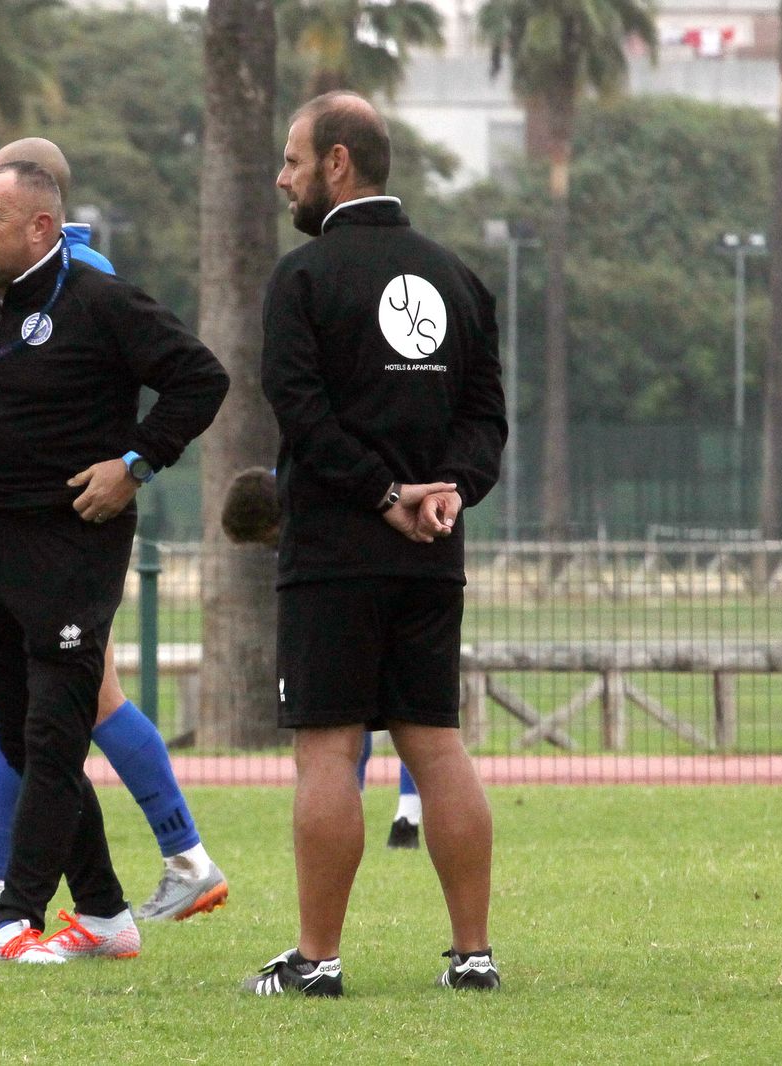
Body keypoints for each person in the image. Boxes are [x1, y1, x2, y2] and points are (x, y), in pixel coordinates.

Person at [0, 139, 229, 925]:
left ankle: (144, 869)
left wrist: (135, 462)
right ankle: (47, 891)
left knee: (72, 711)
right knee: (20, 713)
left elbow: (192, 377)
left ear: (41, 217)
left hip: (69, 536)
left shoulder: (90, 286)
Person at [242, 92, 506, 997]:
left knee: (327, 750)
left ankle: (316, 961)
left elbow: (301, 413)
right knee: (436, 744)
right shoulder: (460, 280)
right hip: (433, 555)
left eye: (292, 161)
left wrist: (384, 496)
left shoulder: (303, 279)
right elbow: (486, 419)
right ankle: (473, 956)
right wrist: (448, 492)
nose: (282, 179)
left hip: (333, 555)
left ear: (337, 164)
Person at [223, 464, 422, 850]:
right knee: (401, 717)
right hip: (403, 581)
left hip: (365, 591)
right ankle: (365, 811)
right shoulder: (280, 485)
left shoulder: (307, 493)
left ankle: (402, 818)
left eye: (267, 540)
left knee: (365, 718)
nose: (270, 548)